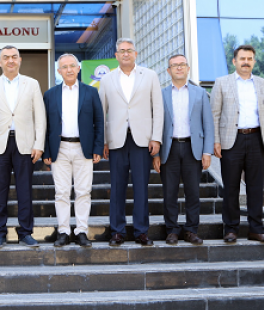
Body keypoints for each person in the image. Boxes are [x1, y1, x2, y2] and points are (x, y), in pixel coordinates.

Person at [211, 44, 264, 243]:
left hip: (258, 140)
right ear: (234, 61)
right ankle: (231, 229)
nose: (246, 62)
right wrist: (215, 141)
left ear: (254, 62)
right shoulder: (222, 83)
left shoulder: (262, 84)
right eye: (242, 59)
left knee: (256, 187)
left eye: (249, 59)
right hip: (231, 141)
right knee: (231, 187)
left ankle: (256, 229)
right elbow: (214, 115)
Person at [99, 38, 163, 247]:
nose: (125, 54)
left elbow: (158, 109)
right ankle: (117, 231)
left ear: (135, 54)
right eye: (122, 51)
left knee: (141, 188)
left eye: (129, 50)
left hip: (142, 140)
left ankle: (141, 231)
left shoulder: (150, 76)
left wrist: (156, 138)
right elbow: (101, 112)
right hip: (116, 140)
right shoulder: (107, 79)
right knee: (117, 188)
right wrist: (103, 141)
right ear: (116, 55)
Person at [0, 45, 46, 248]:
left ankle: (25, 232)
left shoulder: (32, 84)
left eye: (14, 56)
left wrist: (39, 144)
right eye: (6, 57)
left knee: (24, 191)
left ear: (20, 60)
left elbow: (40, 116)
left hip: (25, 144)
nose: (10, 60)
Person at [43, 53, 104, 248]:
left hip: (83, 148)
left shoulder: (91, 92)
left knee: (83, 191)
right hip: (59, 148)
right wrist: (46, 151)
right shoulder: (50, 94)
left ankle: (81, 231)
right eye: (64, 67)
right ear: (59, 71)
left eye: (72, 66)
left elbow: (99, 121)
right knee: (61, 192)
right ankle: (63, 231)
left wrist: (97, 147)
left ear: (78, 68)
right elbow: (45, 125)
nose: (69, 70)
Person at [152, 54, 213, 245]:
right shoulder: (160, 94)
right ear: (168, 71)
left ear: (188, 69)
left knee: (193, 192)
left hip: (192, 148)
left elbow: (208, 124)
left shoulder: (200, 93)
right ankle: (172, 230)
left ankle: (191, 230)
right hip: (168, 149)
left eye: (182, 64)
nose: (179, 68)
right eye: (174, 65)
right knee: (169, 192)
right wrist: (156, 153)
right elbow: (155, 123)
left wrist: (207, 151)